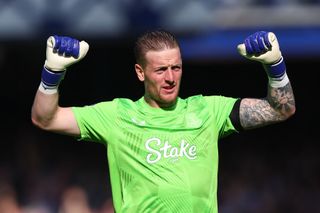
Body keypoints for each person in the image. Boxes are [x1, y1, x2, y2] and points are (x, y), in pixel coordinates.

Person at [31, 30, 296, 212]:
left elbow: (280, 110)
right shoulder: (116, 115)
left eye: (176, 67)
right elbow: (46, 119)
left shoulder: (208, 110)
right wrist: (52, 73)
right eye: (160, 70)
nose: (170, 77)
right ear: (140, 72)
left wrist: (275, 68)